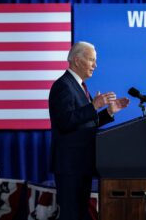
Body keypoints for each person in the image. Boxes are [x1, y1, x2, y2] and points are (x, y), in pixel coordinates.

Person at [48, 41, 129, 220]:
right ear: (77, 60)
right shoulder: (63, 86)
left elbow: (85, 124)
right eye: (91, 60)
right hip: (70, 166)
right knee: (71, 215)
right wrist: (93, 106)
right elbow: (65, 122)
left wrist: (107, 113)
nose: (95, 65)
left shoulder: (79, 86)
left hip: (81, 164)